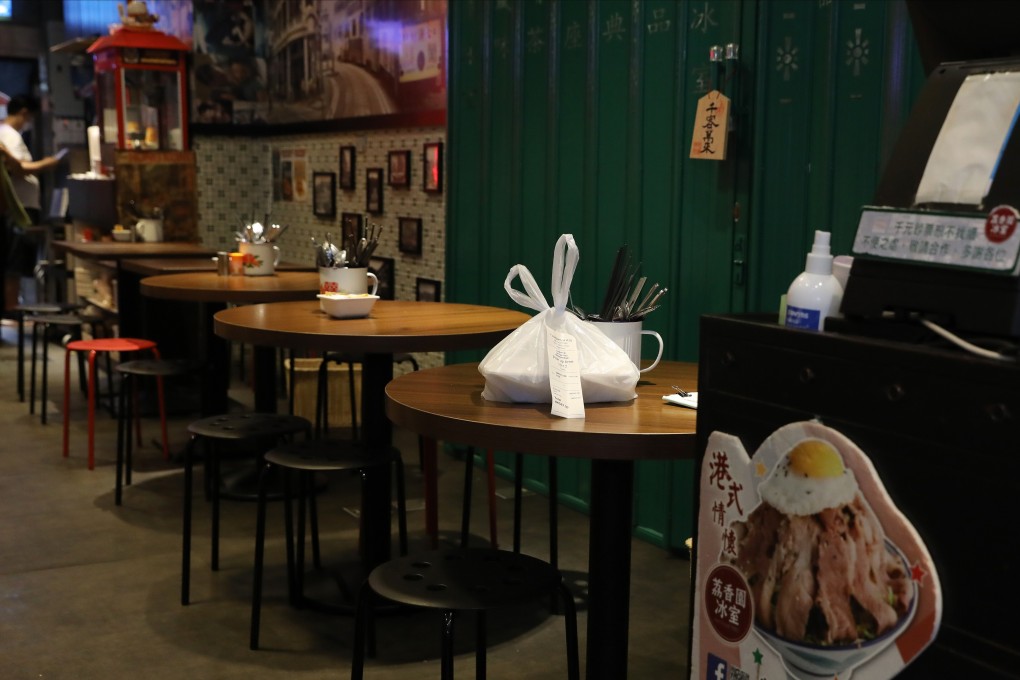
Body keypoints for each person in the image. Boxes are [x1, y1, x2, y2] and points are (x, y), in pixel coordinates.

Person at [1, 94, 64, 311]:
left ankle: (10, 312)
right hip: (17, 209)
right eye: (30, 118)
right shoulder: (10, 136)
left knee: (13, 263)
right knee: (14, 265)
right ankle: (11, 311)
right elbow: (19, 168)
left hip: (14, 207)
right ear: (25, 112)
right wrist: (48, 163)